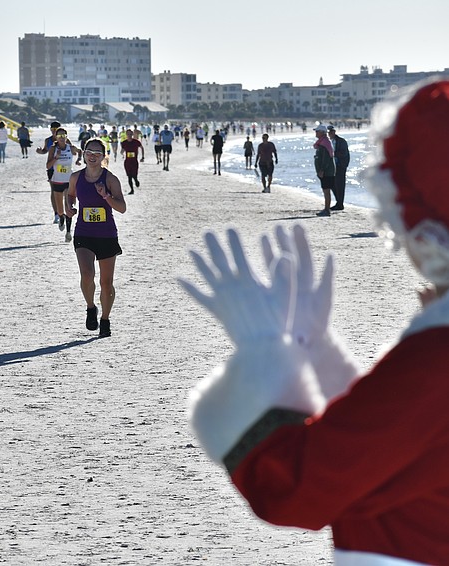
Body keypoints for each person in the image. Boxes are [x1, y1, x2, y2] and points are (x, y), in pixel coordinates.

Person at [179, 77, 449, 566]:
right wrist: (320, 355)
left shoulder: (437, 360)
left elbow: (294, 490)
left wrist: (266, 361)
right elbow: (396, 453)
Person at [65, 138, 126, 338]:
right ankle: (91, 307)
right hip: (83, 233)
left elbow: (122, 208)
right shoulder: (76, 177)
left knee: (106, 283)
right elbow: (71, 194)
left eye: (97, 154)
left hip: (106, 235)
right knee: (87, 274)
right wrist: (69, 206)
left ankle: (105, 319)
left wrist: (106, 196)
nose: (92, 156)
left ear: (103, 156)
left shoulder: (110, 179)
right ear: (83, 154)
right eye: (89, 152)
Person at [46, 127, 82, 241]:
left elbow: (80, 151)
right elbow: (47, 166)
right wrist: (56, 158)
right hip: (57, 181)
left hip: (68, 181)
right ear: (56, 137)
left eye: (64, 135)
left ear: (66, 137)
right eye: (59, 136)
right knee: (60, 210)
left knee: (69, 208)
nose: (62, 138)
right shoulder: (53, 149)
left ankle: (68, 232)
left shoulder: (70, 148)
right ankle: (61, 218)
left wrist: (78, 160)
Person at [36, 121, 62, 223]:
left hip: (63, 168)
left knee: (65, 192)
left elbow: (70, 150)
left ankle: (62, 212)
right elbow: (45, 150)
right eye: (53, 130)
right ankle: (56, 214)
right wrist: (40, 151)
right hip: (52, 168)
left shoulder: (65, 140)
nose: (54, 132)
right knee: (54, 190)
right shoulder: (48, 140)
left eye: (56, 129)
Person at [313, 124, 336, 216]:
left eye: (317, 131)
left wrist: (321, 170)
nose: (316, 133)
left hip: (327, 171)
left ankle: (327, 210)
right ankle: (326, 209)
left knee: (326, 190)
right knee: (325, 190)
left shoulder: (324, 143)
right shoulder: (322, 142)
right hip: (326, 171)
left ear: (322, 133)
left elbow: (326, 159)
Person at [328, 125, 350, 210]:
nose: (330, 134)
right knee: (332, 184)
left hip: (340, 166)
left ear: (334, 132)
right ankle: (339, 202)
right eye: (329, 132)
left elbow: (344, 153)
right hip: (333, 166)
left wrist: (332, 154)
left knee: (340, 185)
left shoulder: (341, 141)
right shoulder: (330, 141)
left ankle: (340, 204)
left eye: (331, 132)